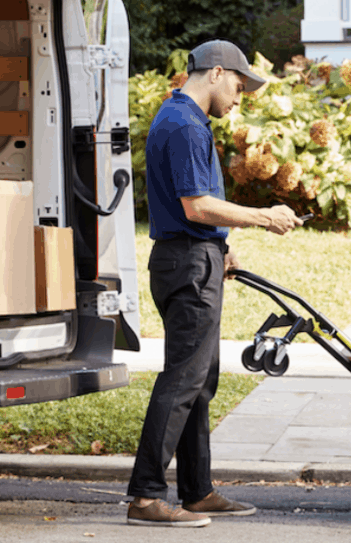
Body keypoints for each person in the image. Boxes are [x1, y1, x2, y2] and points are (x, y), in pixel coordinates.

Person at [127, 39, 303, 527]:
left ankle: (197, 490)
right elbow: (194, 205)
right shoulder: (183, 125)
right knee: (183, 379)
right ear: (218, 72)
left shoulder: (184, 119)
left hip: (193, 258)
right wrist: (262, 217)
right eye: (240, 88)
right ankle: (144, 497)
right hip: (187, 264)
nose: (240, 98)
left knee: (200, 381)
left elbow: (195, 210)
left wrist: (221, 245)